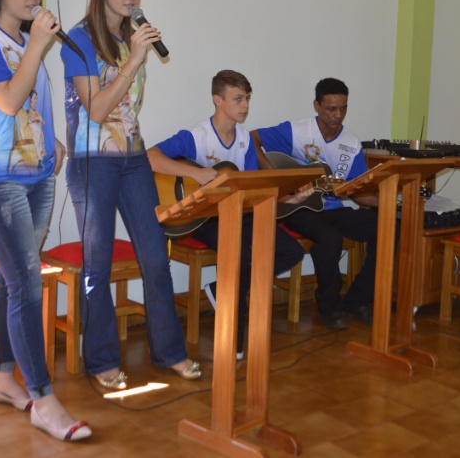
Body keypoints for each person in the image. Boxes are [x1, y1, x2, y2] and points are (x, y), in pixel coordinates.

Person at [0, 0, 90, 442]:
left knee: (10, 278)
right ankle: (43, 397)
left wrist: (50, 138)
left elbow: (26, 106)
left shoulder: (23, 41)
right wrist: (37, 44)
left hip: (37, 177)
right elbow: (7, 98)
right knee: (28, 284)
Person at [59, 0, 201, 389]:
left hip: (133, 157)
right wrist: (133, 61)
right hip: (91, 161)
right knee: (97, 265)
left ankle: (169, 351)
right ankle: (101, 360)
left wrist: (135, 52)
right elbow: (98, 110)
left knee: (156, 258)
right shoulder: (79, 40)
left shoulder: (133, 38)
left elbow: (129, 113)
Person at [147, 70, 305, 359]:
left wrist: (292, 197)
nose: (244, 105)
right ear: (217, 100)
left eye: (247, 99)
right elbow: (150, 157)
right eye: (238, 99)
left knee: (291, 251)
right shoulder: (196, 136)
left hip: (235, 212)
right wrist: (196, 173)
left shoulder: (245, 140)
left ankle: (222, 289)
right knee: (242, 256)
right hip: (201, 217)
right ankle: (236, 340)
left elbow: (252, 187)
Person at [252, 78, 379, 330]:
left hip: (334, 209)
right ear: (317, 106)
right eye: (331, 108)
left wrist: (389, 201)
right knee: (330, 238)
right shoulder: (297, 131)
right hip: (300, 208)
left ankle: (357, 300)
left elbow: (356, 192)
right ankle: (329, 307)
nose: (338, 115)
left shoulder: (351, 143)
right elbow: (251, 139)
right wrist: (276, 178)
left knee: (388, 226)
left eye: (343, 108)